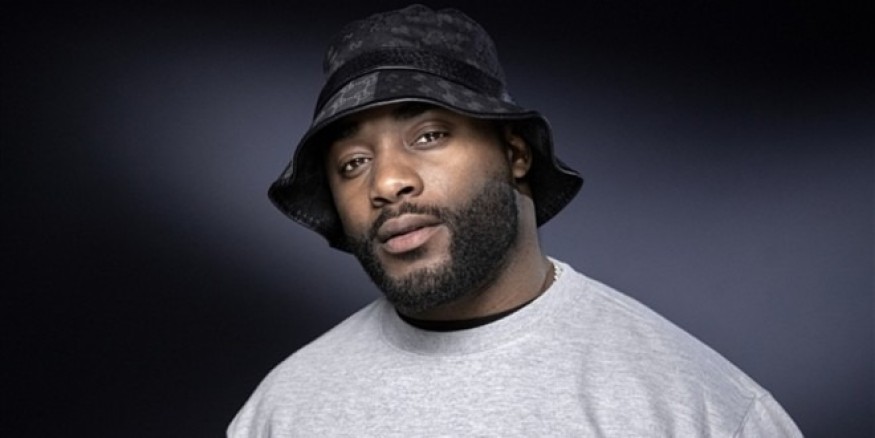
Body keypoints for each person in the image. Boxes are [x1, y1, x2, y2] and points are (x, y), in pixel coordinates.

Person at [229, 4, 802, 436]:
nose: (386, 182)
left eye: (429, 135)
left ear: (516, 154)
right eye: (353, 163)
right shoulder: (284, 411)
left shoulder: (694, 407)